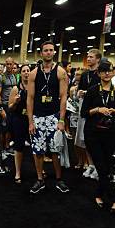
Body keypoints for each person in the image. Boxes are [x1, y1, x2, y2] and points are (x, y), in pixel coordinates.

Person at [81, 58, 115, 212]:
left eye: (109, 71)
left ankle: (99, 194)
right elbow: (83, 113)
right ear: (99, 73)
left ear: (113, 72)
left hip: (110, 134)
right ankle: (113, 197)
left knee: (106, 167)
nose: (107, 74)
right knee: (101, 167)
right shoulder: (93, 90)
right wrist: (97, 110)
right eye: (104, 71)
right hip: (93, 134)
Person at [26, 40, 70, 194]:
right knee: (38, 151)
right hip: (38, 117)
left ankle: (59, 179)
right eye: (46, 50)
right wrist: (31, 121)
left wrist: (62, 120)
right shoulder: (33, 73)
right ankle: (40, 179)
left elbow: (64, 97)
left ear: (54, 52)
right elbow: (30, 98)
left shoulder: (60, 72)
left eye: (51, 50)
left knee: (55, 150)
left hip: (54, 116)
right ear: (41, 53)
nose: (49, 53)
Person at [78, 49, 102, 180]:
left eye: (91, 57)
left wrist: (87, 93)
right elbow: (80, 89)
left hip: (97, 111)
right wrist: (79, 93)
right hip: (85, 110)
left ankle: (98, 167)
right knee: (86, 139)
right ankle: (90, 165)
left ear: (98, 59)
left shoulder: (101, 74)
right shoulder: (84, 75)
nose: (88, 59)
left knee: (96, 141)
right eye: (87, 57)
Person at [8, 64, 31, 184]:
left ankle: (40, 170)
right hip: (19, 119)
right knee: (19, 146)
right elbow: (10, 108)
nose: (26, 73)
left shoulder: (34, 87)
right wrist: (16, 103)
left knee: (36, 145)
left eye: (28, 71)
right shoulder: (16, 89)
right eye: (24, 71)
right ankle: (17, 172)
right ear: (20, 74)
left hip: (31, 119)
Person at [0, 57, 18, 155]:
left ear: (13, 64)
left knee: (9, 128)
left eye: (10, 64)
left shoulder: (14, 76)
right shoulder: (1, 77)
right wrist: (1, 109)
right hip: (4, 106)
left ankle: (7, 146)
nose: (9, 66)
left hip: (12, 106)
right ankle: (2, 149)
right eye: (7, 64)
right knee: (3, 130)